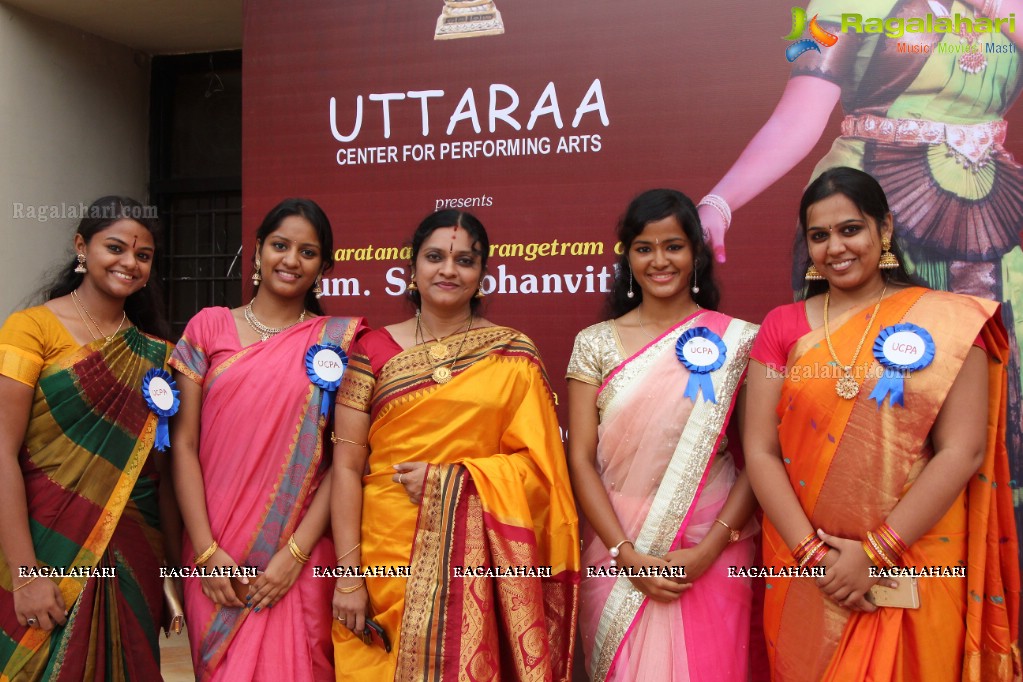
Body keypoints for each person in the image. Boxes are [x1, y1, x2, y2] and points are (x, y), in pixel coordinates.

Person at [698, 0, 1023, 564]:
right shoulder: (839, 5)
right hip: (868, 208)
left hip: (995, 226)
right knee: (856, 398)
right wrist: (720, 204)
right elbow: (799, 113)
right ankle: (840, 551)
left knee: (995, 414)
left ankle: (972, 583)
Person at [743, 167, 1019, 680]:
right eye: (819, 236)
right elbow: (759, 449)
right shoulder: (782, 326)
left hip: (915, 558)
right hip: (809, 571)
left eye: (851, 229)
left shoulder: (950, 321)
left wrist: (875, 554)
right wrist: (814, 557)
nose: (835, 248)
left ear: (883, 229)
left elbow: (963, 451)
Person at [329, 209, 580, 681]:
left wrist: (453, 482)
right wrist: (348, 575)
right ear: (412, 270)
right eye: (435, 257)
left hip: (480, 566)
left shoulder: (513, 355)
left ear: (483, 275)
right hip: (386, 558)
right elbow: (344, 469)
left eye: (465, 259)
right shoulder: (370, 351)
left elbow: (542, 474)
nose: (448, 269)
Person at [566, 189, 759, 681]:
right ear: (626, 256)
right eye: (644, 247)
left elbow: (760, 455)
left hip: (711, 543)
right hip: (616, 544)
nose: (659, 261)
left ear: (696, 251)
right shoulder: (594, 344)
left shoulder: (737, 339)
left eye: (673, 246)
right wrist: (625, 555)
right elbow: (581, 459)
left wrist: (709, 550)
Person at [170, 198, 365, 681]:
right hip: (214, 551)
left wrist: (294, 556)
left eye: (307, 252)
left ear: (323, 267)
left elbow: (342, 464)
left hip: (296, 557)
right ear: (257, 251)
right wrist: (206, 553)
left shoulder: (337, 343)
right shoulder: (207, 327)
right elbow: (185, 447)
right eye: (280, 246)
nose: (291, 260)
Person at [0, 196, 175, 680]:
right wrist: (26, 575)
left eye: (143, 256)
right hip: (44, 546)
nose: (129, 263)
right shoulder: (31, 329)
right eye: (115, 248)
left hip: (133, 554)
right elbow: (2, 454)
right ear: (82, 246)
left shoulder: (159, 353)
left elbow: (160, 474)